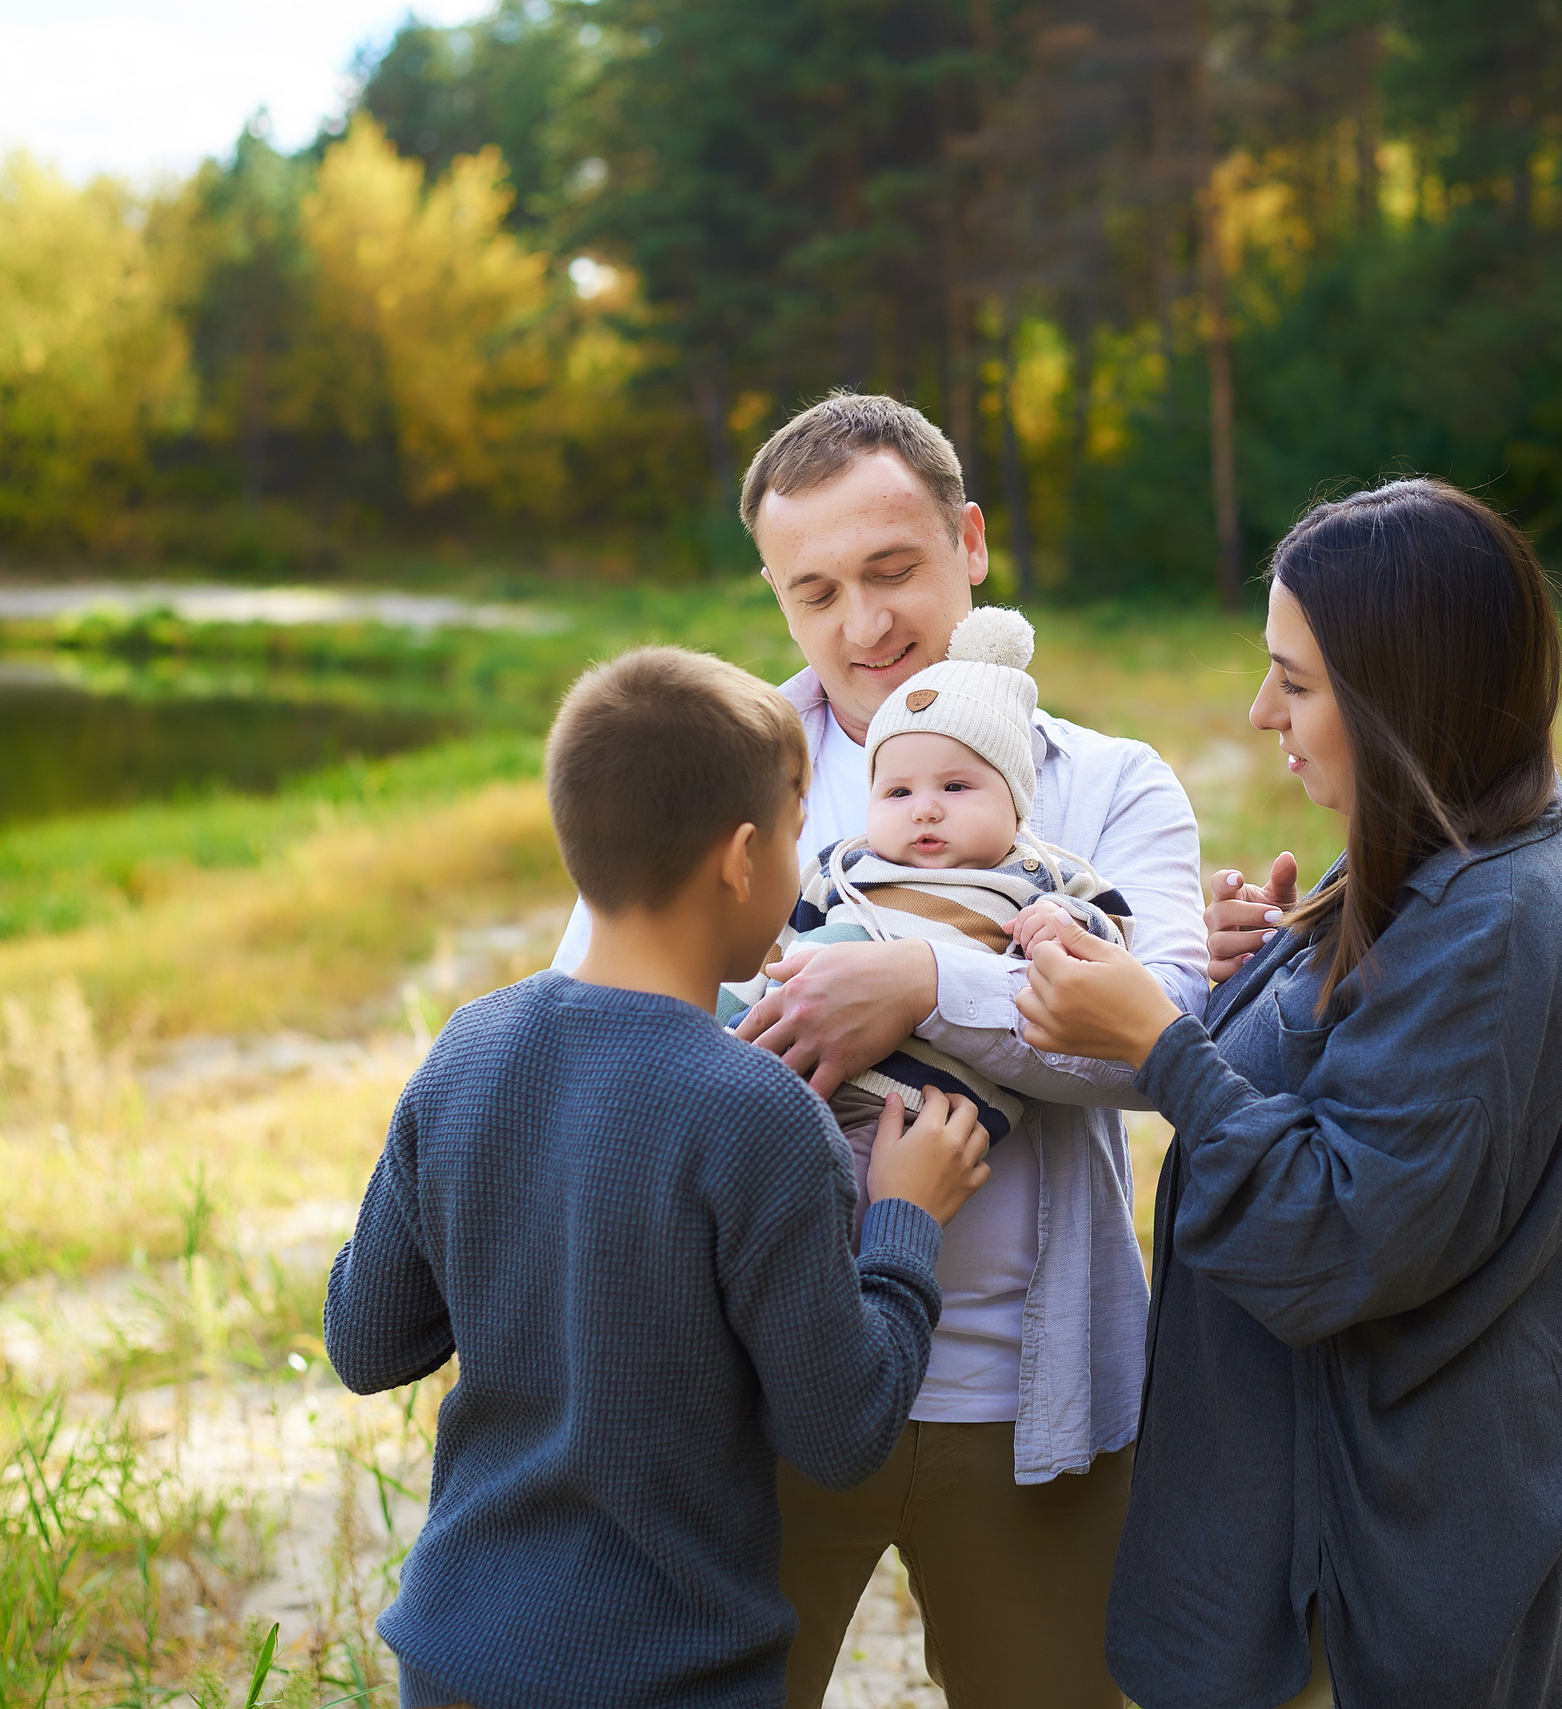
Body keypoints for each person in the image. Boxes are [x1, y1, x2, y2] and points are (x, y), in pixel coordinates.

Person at [549, 393, 1208, 1709]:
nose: (864, 625)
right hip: (754, 1401)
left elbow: (1168, 1046)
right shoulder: (697, 765)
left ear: (970, 541)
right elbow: (600, 1048)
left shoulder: (1110, 783)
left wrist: (917, 982)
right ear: (777, 598)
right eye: (817, 590)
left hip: (1030, 1414)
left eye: (895, 569)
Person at [1015, 478, 1562, 1708]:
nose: (1260, 712)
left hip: (1369, 1589)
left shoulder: (1498, 922)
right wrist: (1257, 976)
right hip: (1305, 1546)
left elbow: (1332, 1235)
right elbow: (1352, 1104)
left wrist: (1161, 1047)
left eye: (1294, 683)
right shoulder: (1435, 856)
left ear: (1401, 695)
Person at [326, 646, 994, 1709]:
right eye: (792, 830)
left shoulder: (468, 1046)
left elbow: (366, 1342)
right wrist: (906, 1220)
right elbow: (842, 1431)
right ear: (741, 857)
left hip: (453, 1649)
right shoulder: (763, 1113)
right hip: (664, 1673)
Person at [717, 604, 1134, 1230]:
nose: (926, 811)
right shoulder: (845, 867)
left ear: (1018, 806)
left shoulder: (1038, 878)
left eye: (957, 788)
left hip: (906, 1119)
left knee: (824, 1225)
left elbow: (1115, 950)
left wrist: (1068, 927)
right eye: (899, 792)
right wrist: (721, 1025)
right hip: (784, 1076)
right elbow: (773, 956)